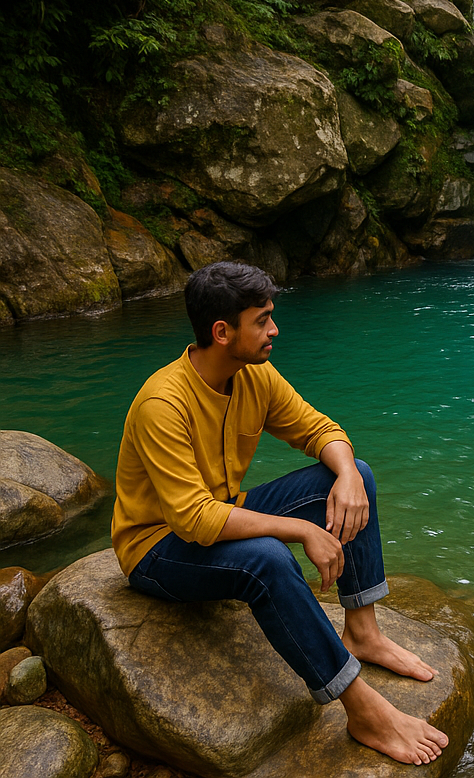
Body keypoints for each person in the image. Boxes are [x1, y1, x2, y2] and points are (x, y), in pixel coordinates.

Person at [111, 262, 448, 765]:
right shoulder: (163, 403)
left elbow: (319, 430)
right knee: (269, 557)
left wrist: (350, 478)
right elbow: (195, 521)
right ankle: (362, 709)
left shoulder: (255, 376)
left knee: (353, 472)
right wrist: (302, 530)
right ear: (222, 332)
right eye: (262, 320)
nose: (274, 330)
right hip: (157, 550)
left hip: (224, 512)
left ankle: (363, 632)